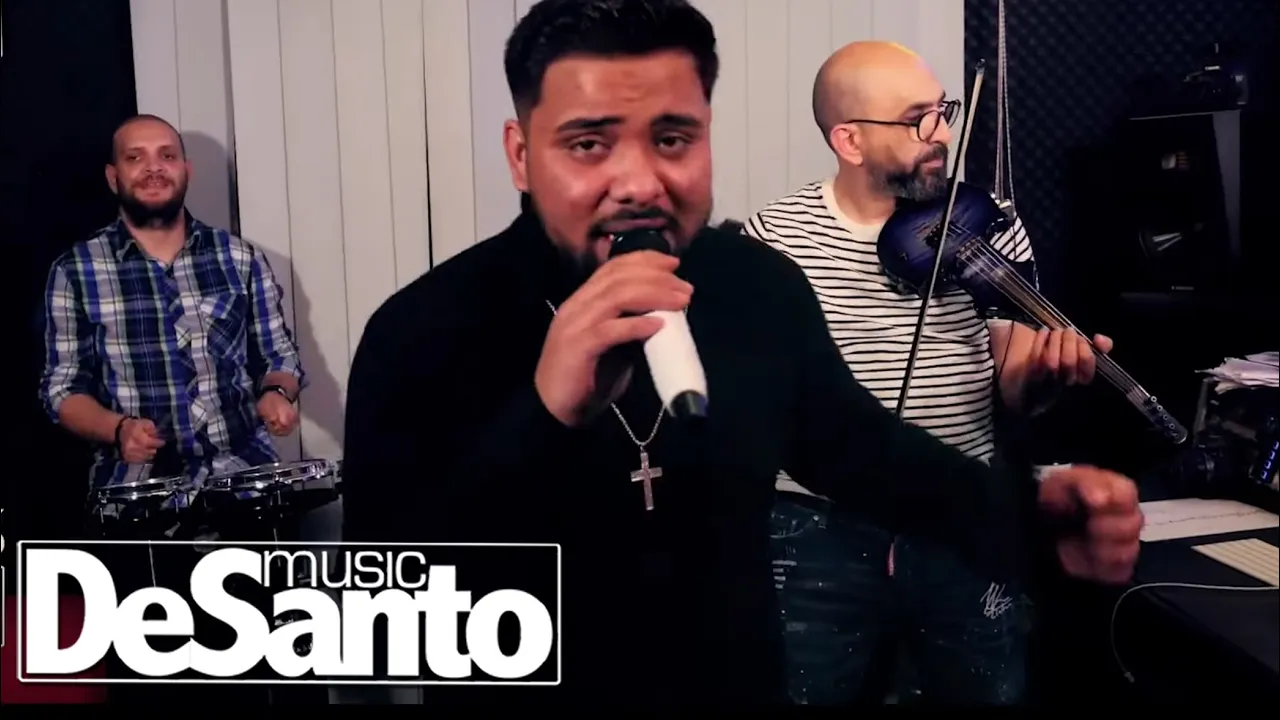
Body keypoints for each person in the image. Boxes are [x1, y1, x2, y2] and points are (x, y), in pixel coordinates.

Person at [342, 0, 1142, 708]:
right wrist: (544, 417)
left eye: (672, 138)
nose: (639, 181)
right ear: (522, 154)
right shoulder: (421, 330)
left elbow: (867, 455)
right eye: (588, 143)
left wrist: (1036, 512)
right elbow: (374, 622)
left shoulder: (756, 285)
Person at [744, 41, 1115, 705]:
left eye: (943, 111)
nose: (941, 133)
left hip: (959, 512)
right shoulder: (777, 236)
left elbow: (1011, 382)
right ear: (850, 140)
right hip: (817, 527)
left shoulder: (988, 224)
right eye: (918, 120)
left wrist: (1041, 377)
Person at [38, 114, 304, 703]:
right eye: (135, 157)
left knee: (265, 682)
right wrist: (117, 429)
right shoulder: (75, 272)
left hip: (243, 493)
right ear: (114, 177)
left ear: (185, 170)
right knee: (155, 690)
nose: (153, 168)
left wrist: (278, 394)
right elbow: (60, 390)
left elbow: (279, 357)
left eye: (165, 155)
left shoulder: (239, 260)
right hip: (135, 504)